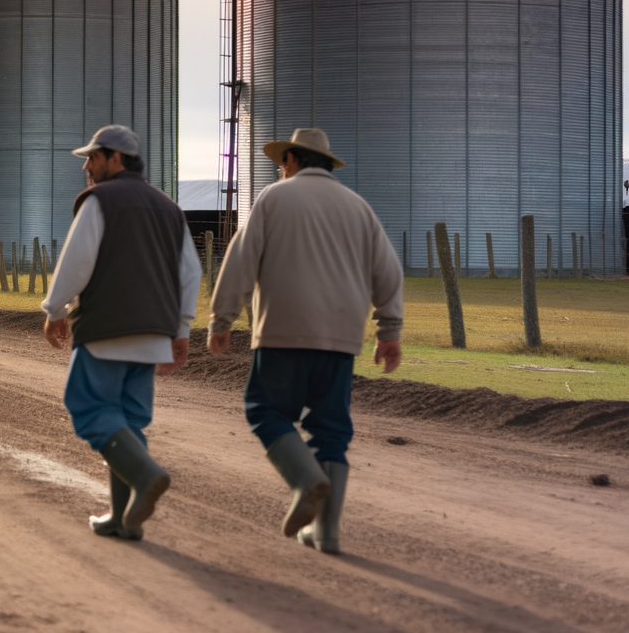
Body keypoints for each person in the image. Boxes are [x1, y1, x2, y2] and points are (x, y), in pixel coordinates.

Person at [208, 128, 403, 554]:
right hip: (340, 340)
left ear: (292, 161)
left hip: (282, 331)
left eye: (282, 163)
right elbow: (388, 272)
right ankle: (326, 532)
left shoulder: (273, 199)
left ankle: (304, 480)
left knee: (265, 410)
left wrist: (222, 318)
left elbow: (242, 259)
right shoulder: (359, 208)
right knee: (331, 429)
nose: (281, 170)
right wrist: (389, 331)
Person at [42, 125, 202, 541]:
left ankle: (147, 476)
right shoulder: (170, 208)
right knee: (129, 422)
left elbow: (76, 261)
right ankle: (122, 518)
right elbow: (190, 272)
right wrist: (181, 328)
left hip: (107, 329)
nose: (87, 168)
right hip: (153, 335)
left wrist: (55, 309)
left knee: (88, 406)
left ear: (116, 160)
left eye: (93, 158)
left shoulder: (101, 201)